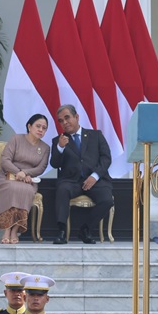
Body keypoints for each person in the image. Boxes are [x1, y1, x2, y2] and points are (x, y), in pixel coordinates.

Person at [49, 104, 113, 244]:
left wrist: (94, 176)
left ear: (76, 117)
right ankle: (61, 231)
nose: (65, 122)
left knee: (107, 200)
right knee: (62, 189)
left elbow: (106, 158)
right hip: (71, 181)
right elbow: (54, 163)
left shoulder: (95, 135)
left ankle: (85, 229)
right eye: (61, 121)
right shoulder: (58, 141)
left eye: (67, 118)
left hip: (95, 180)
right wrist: (60, 147)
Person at [0, 114, 51, 244]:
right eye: (38, 126)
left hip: (28, 181)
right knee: (12, 188)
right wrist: (17, 172)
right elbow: (5, 160)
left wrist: (25, 173)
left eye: (44, 128)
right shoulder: (16, 139)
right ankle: (7, 229)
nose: (40, 130)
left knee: (25, 190)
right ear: (29, 126)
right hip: (7, 176)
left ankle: (15, 230)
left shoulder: (45, 148)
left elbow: (41, 168)